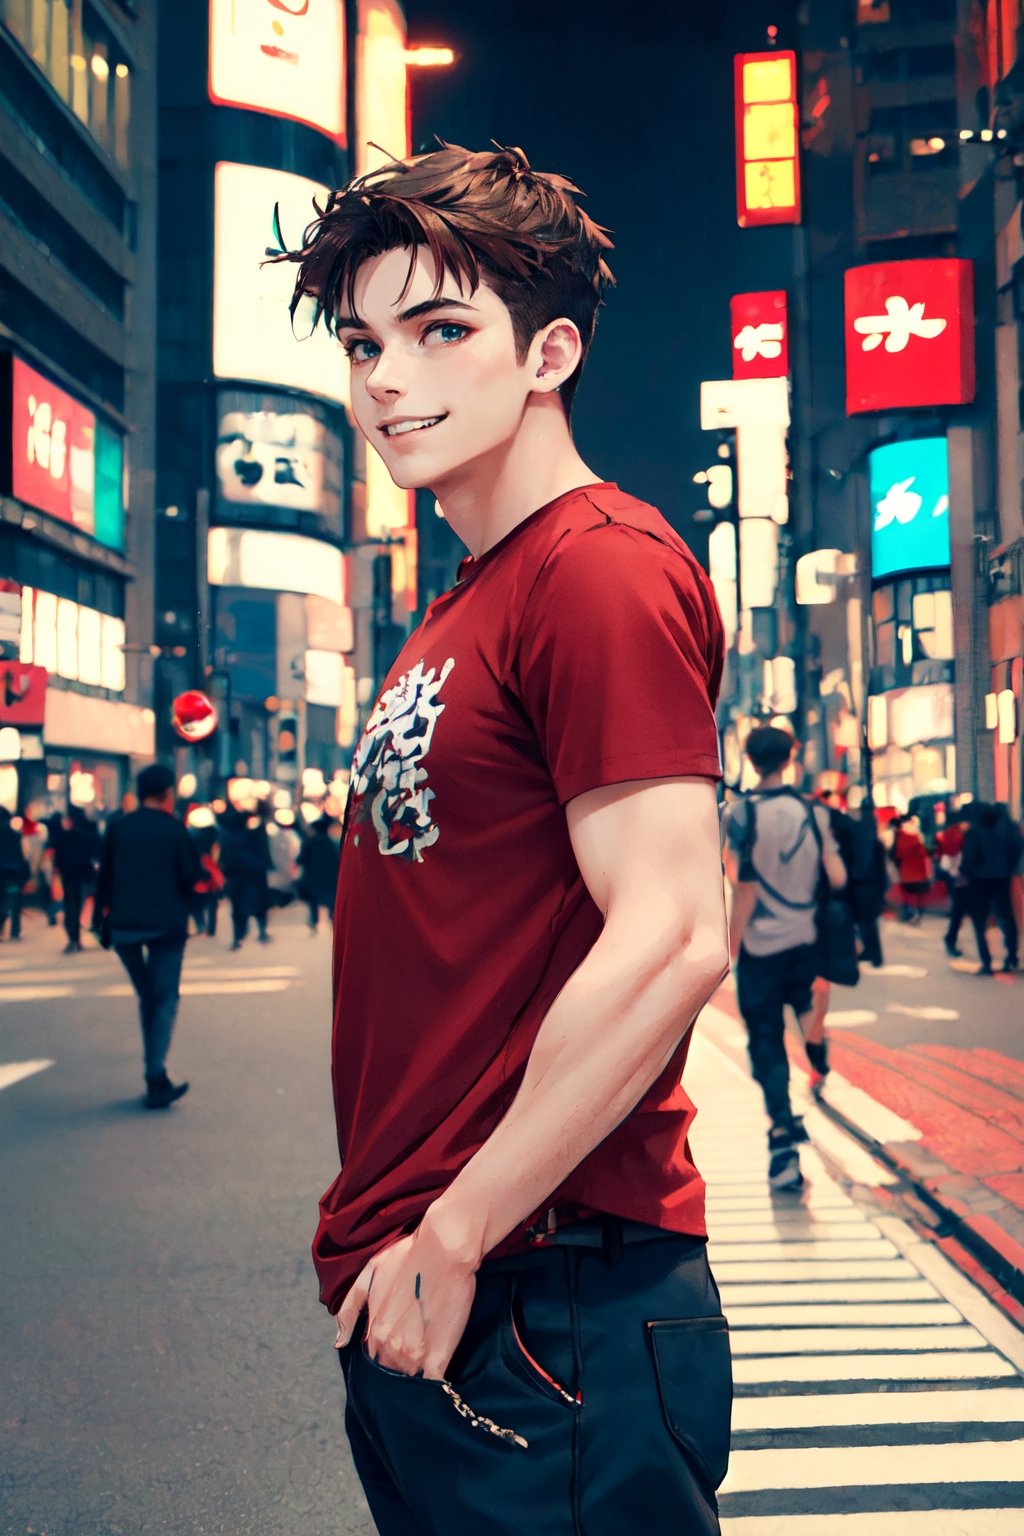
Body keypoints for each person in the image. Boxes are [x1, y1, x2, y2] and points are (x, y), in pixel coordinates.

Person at [274, 142, 732, 1534]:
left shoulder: (595, 569)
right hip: (443, 1291)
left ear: (549, 354)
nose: (387, 379)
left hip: (550, 1289)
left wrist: (461, 1231)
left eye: (441, 331)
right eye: (364, 342)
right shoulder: (473, 595)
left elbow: (674, 933)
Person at [723, 727, 847, 1191]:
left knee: (766, 1042)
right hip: (807, 941)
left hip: (761, 949)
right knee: (807, 1010)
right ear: (791, 757)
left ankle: (782, 1140)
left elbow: (744, 889)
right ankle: (818, 1049)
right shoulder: (813, 813)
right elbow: (835, 875)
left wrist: (729, 948)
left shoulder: (739, 816)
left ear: (751, 761)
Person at [93, 762, 201, 1108]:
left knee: (148, 996)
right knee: (165, 998)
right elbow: (191, 877)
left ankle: (155, 1073)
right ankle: (156, 1076)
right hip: (167, 926)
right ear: (168, 794)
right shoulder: (174, 830)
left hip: (124, 928)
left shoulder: (119, 828)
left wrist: (99, 921)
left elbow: (104, 877)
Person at [962, 803, 1022, 975]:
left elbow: (969, 859)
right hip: (1002, 877)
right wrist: (1008, 868)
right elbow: (1016, 850)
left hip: (980, 880)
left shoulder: (975, 832)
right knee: (1006, 917)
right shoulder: (1007, 831)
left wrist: (968, 872)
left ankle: (986, 962)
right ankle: (1011, 956)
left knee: (980, 921)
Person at [53, 805, 102, 953]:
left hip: (68, 876)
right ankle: (77, 937)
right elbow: (96, 853)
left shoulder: (62, 837)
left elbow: (58, 859)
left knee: (71, 906)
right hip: (84, 875)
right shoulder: (87, 835)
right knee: (79, 905)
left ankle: (73, 937)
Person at [936, 810, 971, 958]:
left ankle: (951, 938)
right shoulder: (954, 834)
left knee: (959, 910)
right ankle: (950, 939)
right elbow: (952, 853)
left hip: (957, 876)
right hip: (957, 877)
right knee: (958, 909)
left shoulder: (952, 833)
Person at [297, 815, 340, 931]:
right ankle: (333, 919)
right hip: (330, 877)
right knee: (331, 899)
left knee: (313, 899)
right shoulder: (331, 842)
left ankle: (314, 920)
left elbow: (301, 859)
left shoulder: (310, 842)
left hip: (312, 877)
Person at [890, 814, 932, 923]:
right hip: (917, 870)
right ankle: (916, 913)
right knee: (919, 893)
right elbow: (923, 854)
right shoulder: (916, 836)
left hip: (906, 870)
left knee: (908, 893)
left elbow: (896, 854)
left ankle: (910, 913)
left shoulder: (899, 836)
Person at [0, 807, 29, 940]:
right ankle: (15, 930)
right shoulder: (16, 836)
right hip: (13, 874)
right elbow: (22, 856)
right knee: (15, 901)